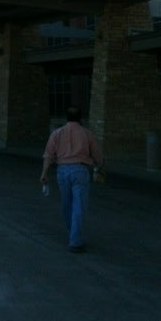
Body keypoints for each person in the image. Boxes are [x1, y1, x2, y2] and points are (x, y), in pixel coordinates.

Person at [40, 105, 103, 253]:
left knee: (66, 204)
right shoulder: (87, 134)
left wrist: (44, 173)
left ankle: (72, 234)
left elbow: (48, 155)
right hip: (80, 170)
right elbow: (98, 156)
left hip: (62, 170)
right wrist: (99, 167)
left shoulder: (57, 133)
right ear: (80, 118)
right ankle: (75, 239)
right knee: (79, 206)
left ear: (66, 117)